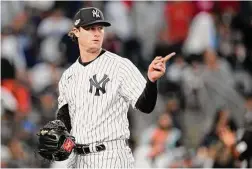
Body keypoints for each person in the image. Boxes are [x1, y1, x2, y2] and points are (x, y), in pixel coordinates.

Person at [55, 7, 175, 168]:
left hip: (111, 156)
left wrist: (151, 82)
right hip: (79, 160)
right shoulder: (68, 76)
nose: (97, 33)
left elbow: (145, 106)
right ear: (76, 32)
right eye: (90, 28)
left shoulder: (120, 66)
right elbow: (66, 123)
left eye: (100, 28)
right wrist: (60, 146)